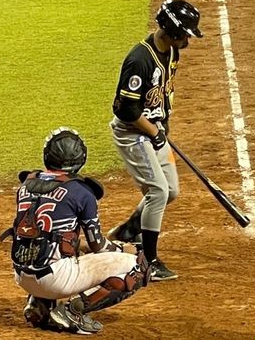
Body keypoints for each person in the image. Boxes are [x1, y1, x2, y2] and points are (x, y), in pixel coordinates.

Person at [9, 128, 151, 335]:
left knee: (51, 245)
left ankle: (39, 303)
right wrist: (122, 249)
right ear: (80, 159)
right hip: (56, 280)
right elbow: (98, 245)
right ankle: (72, 311)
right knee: (138, 267)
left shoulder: (26, 185)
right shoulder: (82, 191)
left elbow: (43, 233)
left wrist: (80, 246)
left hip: (22, 277)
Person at [106, 0, 204, 282]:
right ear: (173, 30)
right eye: (185, 34)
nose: (187, 40)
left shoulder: (172, 53)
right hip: (133, 133)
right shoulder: (140, 60)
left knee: (170, 190)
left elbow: (161, 95)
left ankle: (128, 231)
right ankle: (148, 261)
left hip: (154, 129)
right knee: (158, 191)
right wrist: (154, 132)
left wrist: (163, 126)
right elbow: (125, 110)